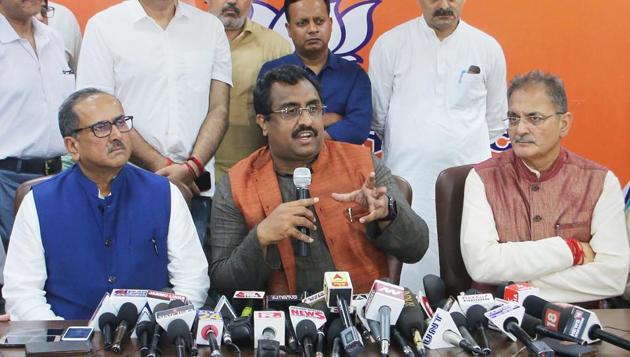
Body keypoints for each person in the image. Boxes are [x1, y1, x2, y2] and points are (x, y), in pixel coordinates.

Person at [209, 65, 429, 295]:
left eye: (313, 108)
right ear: (263, 123)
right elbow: (222, 282)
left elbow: (417, 248)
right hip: (281, 322)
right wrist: (261, 237)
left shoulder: (362, 163)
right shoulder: (236, 184)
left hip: (361, 316)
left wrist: (388, 214)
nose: (306, 120)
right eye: (290, 111)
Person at [3, 88, 209, 320]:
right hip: (66, 344)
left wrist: (160, 326)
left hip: (147, 340)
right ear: (72, 146)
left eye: (120, 122)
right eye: (101, 128)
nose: (116, 135)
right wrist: (66, 340)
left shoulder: (165, 194)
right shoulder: (39, 202)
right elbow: (22, 293)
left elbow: (192, 280)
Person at [369, 0, 507, 291]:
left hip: (467, 186)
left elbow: (495, 121)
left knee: (468, 272)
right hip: (408, 183)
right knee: (408, 278)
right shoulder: (390, 45)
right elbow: (378, 116)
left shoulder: (487, 48)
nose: (444, 5)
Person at [460, 71, 629, 303]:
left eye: (534, 118)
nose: (520, 130)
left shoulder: (599, 182)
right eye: (513, 118)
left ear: (564, 124)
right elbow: (481, 266)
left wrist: (517, 288)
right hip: (496, 327)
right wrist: (572, 250)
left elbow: (613, 277)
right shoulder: (482, 178)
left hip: (578, 327)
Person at [76, 0, 232, 244]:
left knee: (191, 279)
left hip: (195, 189)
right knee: (130, 277)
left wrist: (190, 169)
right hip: (126, 186)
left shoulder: (210, 27)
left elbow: (219, 109)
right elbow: (98, 114)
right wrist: (164, 169)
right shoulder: (104, 27)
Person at [0, 0, 74, 268]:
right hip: (7, 178)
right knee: (15, 275)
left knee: (59, 269)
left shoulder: (53, 38)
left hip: (60, 175)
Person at [258, 0, 372, 145]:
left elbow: (358, 129)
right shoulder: (271, 73)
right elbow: (271, 125)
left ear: (330, 23)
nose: (312, 29)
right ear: (289, 29)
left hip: (342, 164)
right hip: (286, 165)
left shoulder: (354, 74)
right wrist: (332, 119)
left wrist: (301, 132)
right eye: (302, 23)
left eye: (319, 21)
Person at [207, 0, 292, 181]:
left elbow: (287, 116)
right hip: (190, 176)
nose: (231, 1)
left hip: (254, 178)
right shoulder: (184, 42)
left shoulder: (276, 48)